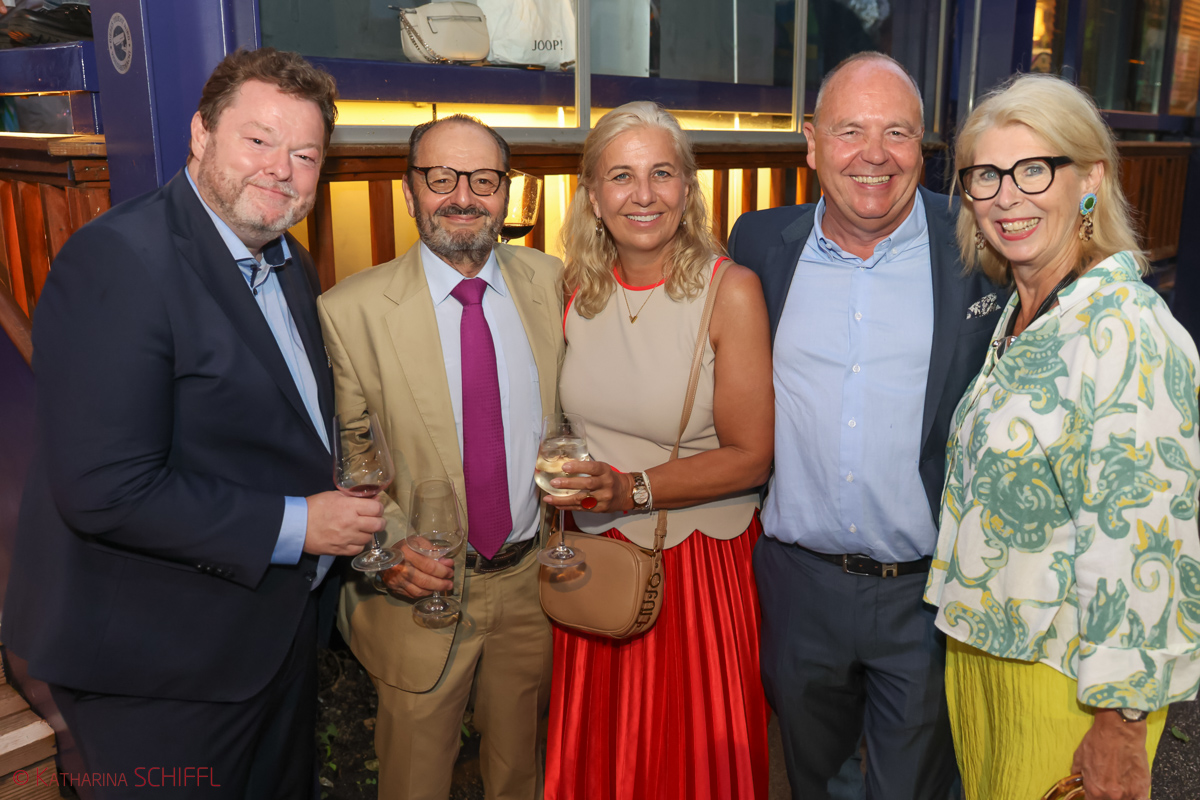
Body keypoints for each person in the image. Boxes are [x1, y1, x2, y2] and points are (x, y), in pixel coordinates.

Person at [2, 48, 384, 793]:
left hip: (265, 640)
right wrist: (301, 525)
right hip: (156, 668)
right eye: (259, 140)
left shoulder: (289, 261)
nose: (280, 169)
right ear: (201, 134)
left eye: (305, 155)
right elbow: (106, 489)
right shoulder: (119, 261)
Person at [727, 52, 1004, 800]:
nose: (874, 155)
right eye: (850, 131)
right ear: (812, 143)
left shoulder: (979, 244)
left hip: (926, 594)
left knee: (912, 787)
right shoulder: (758, 245)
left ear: (924, 147)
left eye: (897, 133)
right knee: (813, 779)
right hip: (798, 587)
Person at [924, 72, 1200, 800]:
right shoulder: (1026, 313)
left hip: (1070, 685)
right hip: (987, 657)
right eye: (987, 175)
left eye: (1034, 169)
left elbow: (1146, 539)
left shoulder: (1125, 330)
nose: (1006, 196)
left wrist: (1121, 722)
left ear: (1091, 180)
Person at [317, 114, 562, 800]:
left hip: (530, 582)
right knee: (414, 782)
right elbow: (348, 457)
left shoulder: (552, 282)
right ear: (408, 191)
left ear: (506, 193)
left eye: (483, 180)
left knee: (521, 776)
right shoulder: (350, 310)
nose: (462, 197)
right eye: (441, 178)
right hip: (417, 588)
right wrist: (392, 547)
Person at [542, 100, 775, 800]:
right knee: (603, 762)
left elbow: (752, 455)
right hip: (593, 560)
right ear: (592, 196)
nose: (643, 195)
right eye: (621, 176)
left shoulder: (731, 291)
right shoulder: (573, 289)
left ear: (687, 188)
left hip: (697, 570)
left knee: (686, 764)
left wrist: (631, 488)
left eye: (662, 174)